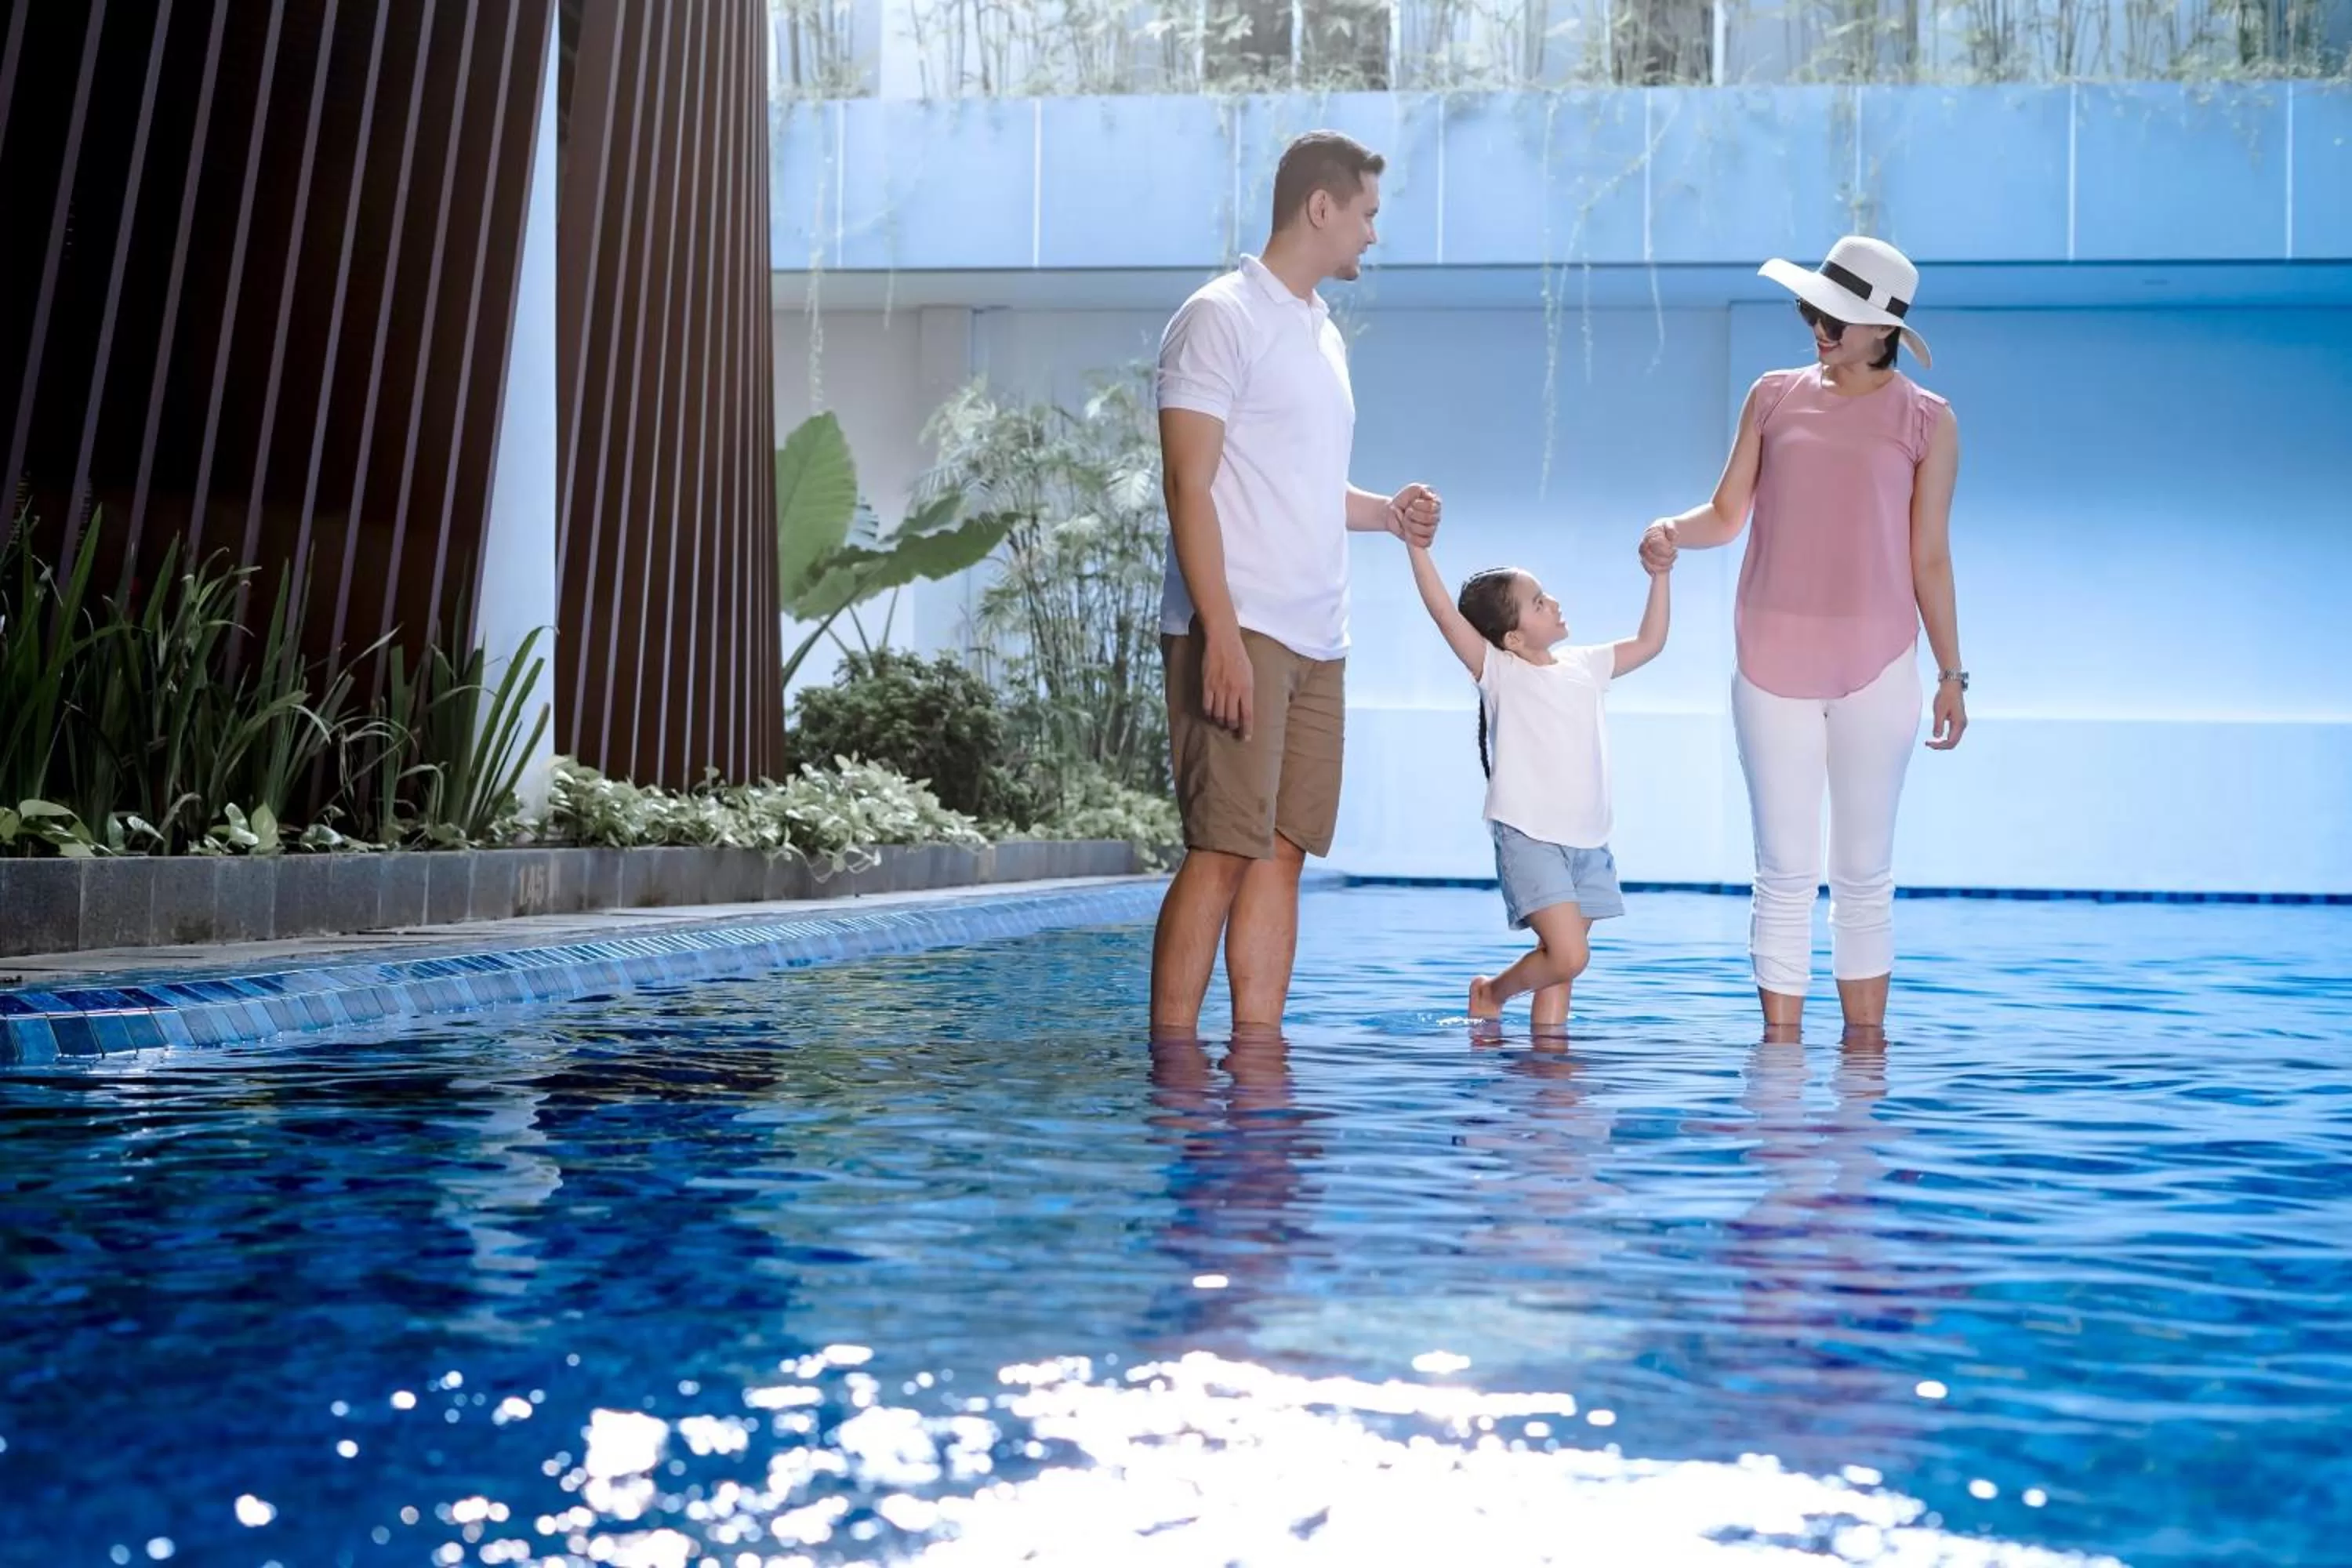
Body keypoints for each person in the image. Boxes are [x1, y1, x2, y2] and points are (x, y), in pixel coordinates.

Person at [1149, 130, 1443, 1038]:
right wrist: (1222, 633)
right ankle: (1175, 1066)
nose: (1373, 235)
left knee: (1282, 854)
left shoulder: (1320, 334)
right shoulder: (1219, 317)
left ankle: (1259, 1055)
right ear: (1322, 207)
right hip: (1243, 628)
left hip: (1321, 638)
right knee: (1221, 849)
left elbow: (1300, 484)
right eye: (1367, 215)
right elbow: (1187, 484)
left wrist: (1386, 511)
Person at [1640, 235, 1968, 1040]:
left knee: (1863, 875)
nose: (1817, 322)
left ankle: (1865, 1062)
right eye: (1813, 307)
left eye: (1838, 315)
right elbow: (1725, 514)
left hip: (1881, 667)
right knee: (1783, 872)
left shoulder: (1929, 420)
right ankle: (1778, 1061)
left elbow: (1929, 555)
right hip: (1768, 663)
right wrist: (1668, 532)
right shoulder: (1772, 396)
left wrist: (1954, 673)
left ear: (1882, 327)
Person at [1405, 539, 1671, 1033]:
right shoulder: (1499, 671)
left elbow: (1650, 642)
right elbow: (1444, 613)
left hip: (1589, 840)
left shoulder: (1586, 664)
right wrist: (1417, 548)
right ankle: (1491, 992)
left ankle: (1552, 1072)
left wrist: (1661, 576)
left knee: (1559, 969)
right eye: (1538, 602)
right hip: (1529, 835)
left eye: (1545, 595)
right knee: (1569, 956)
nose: (1552, 603)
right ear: (1512, 638)